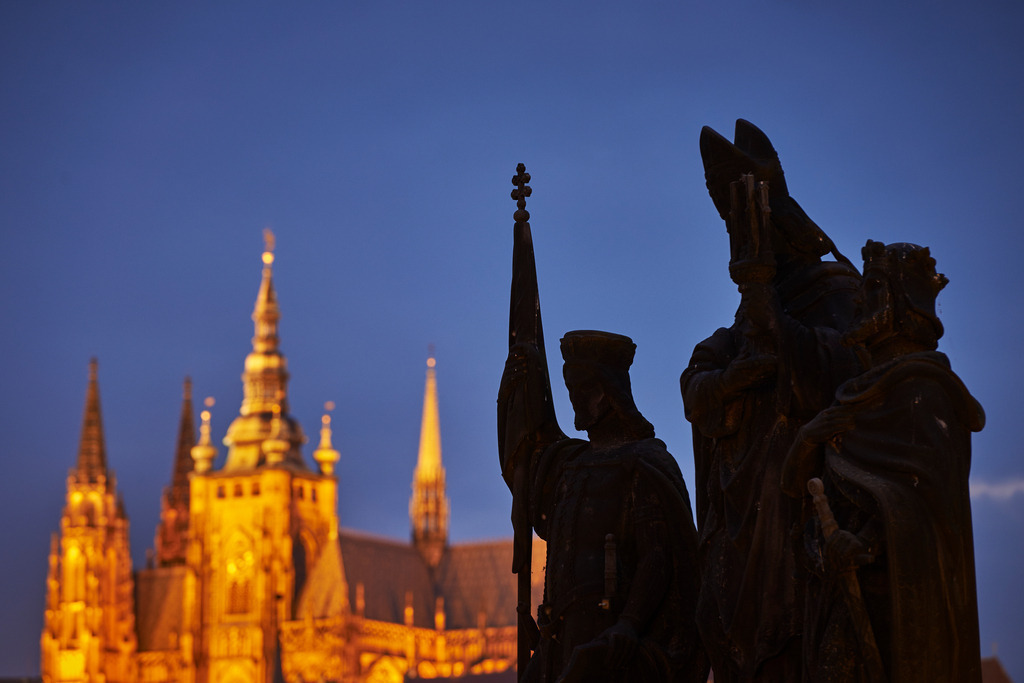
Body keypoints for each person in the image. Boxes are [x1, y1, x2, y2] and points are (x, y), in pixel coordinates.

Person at [680, 120, 862, 681]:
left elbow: (847, 375)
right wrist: (737, 375)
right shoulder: (738, 327)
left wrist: (768, 310)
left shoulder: (837, 292)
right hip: (743, 529)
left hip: (800, 509)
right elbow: (699, 379)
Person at [781, 241, 984, 682]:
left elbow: (923, 501)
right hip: (837, 581)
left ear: (902, 302)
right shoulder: (851, 397)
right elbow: (800, 488)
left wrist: (867, 541)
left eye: (872, 289)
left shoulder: (923, 388)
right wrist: (808, 438)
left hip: (894, 589)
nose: (859, 302)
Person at [499, 330, 706, 683]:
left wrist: (630, 623)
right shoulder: (569, 465)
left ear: (612, 392)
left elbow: (660, 556)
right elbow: (524, 465)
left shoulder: (643, 462)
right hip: (559, 641)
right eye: (570, 390)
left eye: (585, 389)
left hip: (609, 642)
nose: (575, 400)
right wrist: (518, 389)